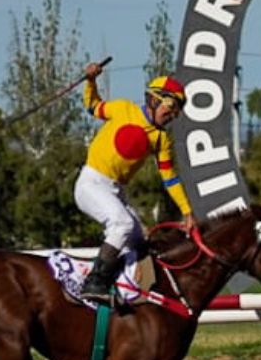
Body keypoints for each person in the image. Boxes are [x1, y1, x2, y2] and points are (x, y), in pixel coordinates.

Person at [77, 63, 196, 304]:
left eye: (177, 112)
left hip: (116, 190)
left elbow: (169, 178)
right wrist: (90, 81)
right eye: (171, 106)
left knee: (139, 241)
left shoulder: (161, 139)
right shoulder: (122, 108)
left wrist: (187, 211)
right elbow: (92, 106)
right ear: (154, 99)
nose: (172, 115)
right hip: (91, 183)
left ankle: (126, 290)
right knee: (121, 224)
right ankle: (94, 282)